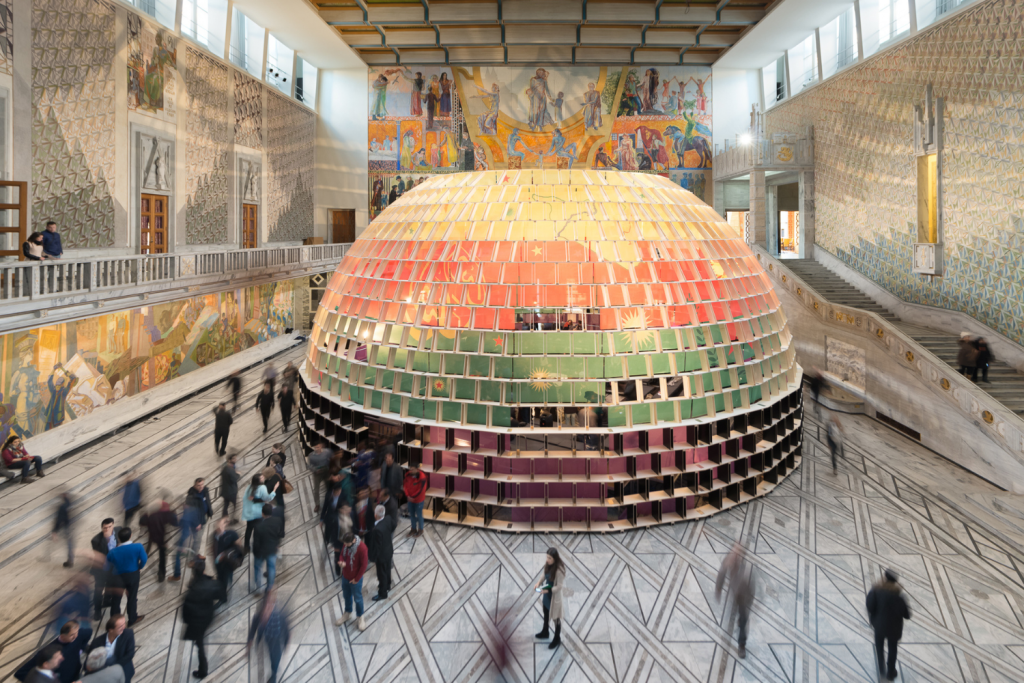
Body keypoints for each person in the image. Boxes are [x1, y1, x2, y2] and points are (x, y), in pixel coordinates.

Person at [182, 559, 224, 680]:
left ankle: (203, 670)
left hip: (196, 621)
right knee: (200, 640)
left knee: (200, 644)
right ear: (204, 570)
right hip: (208, 617)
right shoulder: (211, 584)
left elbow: (185, 612)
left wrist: (187, 621)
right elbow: (221, 595)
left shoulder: (191, 591)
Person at [866, 569, 911, 681]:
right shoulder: (899, 597)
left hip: (879, 626)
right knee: (892, 648)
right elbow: (907, 615)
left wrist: (874, 617)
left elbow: (870, 606)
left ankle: (881, 670)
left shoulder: (876, 591)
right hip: (894, 629)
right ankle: (891, 672)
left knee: (879, 648)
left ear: (884, 578)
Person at [14, 620, 91, 683]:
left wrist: (81, 649)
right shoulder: (48, 651)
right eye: (72, 635)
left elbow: (89, 632)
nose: (76, 636)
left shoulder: (78, 636)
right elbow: (21, 673)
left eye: (76, 632)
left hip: (75, 675)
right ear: (63, 636)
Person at [715, 542, 755, 659]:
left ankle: (741, 644)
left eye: (738, 553)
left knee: (743, 620)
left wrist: (751, 601)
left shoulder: (746, 567)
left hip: (744, 597)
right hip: (734, 594)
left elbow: (752, 584)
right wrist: (718, 589)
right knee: (732, 615)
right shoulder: (728, 560)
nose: (735, 555)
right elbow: (721, 574)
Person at [105, 528, 147, 627]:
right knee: (132, 597)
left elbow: (106, 566)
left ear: (118, 538)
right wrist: (139, 567)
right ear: (131, 535)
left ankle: (114, 622)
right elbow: (144, 559)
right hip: (133, 575)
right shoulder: (138, 546)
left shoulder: (113, 551)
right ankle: (132, 619)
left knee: (116, 599)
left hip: (117, 577)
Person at [247, 589, 290, 683]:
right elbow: (254, 627)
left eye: (269, 606)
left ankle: (273, 677)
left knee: (274, 662)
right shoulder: (259, 615)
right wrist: (250, 640)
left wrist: (286, 643)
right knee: (270, 656)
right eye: (265, 607)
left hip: (276, 643)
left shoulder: (280, 616)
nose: (266, 611)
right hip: (266, 637)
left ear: (272, 605)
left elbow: (286, 630)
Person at [333, 533, 368, 631]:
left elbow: (364, 565)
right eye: (345, 544)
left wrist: (356, 579)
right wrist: (341, 562)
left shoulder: (362, 548)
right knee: (346, 595)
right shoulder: (346, 544)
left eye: (347, 544)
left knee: (358, 598)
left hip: (355, 579)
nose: (346, 545)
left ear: (353, 541)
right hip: (345, 576)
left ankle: (360, 616)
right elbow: (341, 555)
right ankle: (347, 613)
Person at [534, 547, 565, 650]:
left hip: (554, 597)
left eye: (550, 558)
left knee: (556, 619)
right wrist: (538, 582)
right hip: (547, 595)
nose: (547, 560)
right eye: (547, 557)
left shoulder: (559, 570)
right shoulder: (548, 564)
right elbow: (544, 574)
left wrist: (548, 590)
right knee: (546, 613)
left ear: (555, 559)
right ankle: (545, 631)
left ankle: (557, 638)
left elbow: (559, 586)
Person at [139, 498, 177, 582]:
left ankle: (140, 562)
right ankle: (161, 574)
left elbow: (141, 521)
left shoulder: (150, 515)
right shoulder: (164, 514)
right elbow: (174, 521)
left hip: (152, 535)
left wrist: (147, 514)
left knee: (147, 549)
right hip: (161, 538)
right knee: (162, 555)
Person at [90, 519, 121, 620]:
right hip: (101, 570)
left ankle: (107, 601)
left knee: (110, 586)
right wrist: (107, 540)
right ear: (102, 528)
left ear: (113, 526)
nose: (107, 529)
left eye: (109, 527)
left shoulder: (118, 530)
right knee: (98, 590)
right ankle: (97, 611)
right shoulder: (96, 540)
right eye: (105, 528)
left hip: (113, 569)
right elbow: (101, 555)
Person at [89, 616, 135, 683]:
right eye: (120, 626)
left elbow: (130, 654)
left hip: (123, 670)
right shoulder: (97, 642)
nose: (124, 627)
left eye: (124, 624)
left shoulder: (128, 633)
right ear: (111, 630)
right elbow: (91, 660)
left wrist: (113, 668)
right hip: (104, 674)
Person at [253, 504, 284, 593]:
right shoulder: (278, 520)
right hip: (272, 550)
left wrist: (256, 554)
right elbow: (279, 534)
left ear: (262, 513)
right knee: (271, 568)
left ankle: (258, 587)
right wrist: (277, 544)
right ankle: (269, 587)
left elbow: (256, 543)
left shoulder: (258, 527)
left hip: (261, 552)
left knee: (257, 568)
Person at [242, 473, 277, 552]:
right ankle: (256, 547)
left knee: (248, 529)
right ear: (259, 481)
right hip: (259, 513)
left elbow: (246, 499)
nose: (263, 477)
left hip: (250, 512)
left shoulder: (249, 487)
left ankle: (246, 547)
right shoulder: (262, 487)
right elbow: (267, 498)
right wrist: (274, 490)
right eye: (261, 477)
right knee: (257, 530)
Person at [367, 505, 395, 602]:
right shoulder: (388, 519)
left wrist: (374, 557)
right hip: (389, 551)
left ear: (375, 515)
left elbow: (377, 547)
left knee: (381, 574)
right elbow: (394, 525)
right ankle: (387, 585)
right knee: (387, 570)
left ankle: (383, 593)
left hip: (382, 556)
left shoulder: (377, 529)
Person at [212, 517, 242, 600]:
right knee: (220, 578)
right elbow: (213, 547)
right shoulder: (214, 535)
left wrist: (226, 554)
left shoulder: (232, 534)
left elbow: (239, 547)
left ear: (225, 525)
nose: (220, 528)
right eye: (218, 526)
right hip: (218, 564)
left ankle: (223, 598)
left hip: (227, 563)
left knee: (224, 580)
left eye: (222, 525)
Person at [403, 462, 427, 538]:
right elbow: (405, 485)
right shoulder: (407, 475)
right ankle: (413, 529)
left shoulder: (422, 477)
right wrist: (407, 495)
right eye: (410, 469)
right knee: (412, 515)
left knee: (419, 516)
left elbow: (421, 490)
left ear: (417, 469)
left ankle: (420, 530)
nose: (411, 471)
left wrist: (412, 497)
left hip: (419, 500)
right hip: (410, 500)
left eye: (413, 469)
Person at [307, 442, 332, 513]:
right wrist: (315, 470)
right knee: (316, 489)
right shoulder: (311, 455)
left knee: (328, 486)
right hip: (317, 473)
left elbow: (331, 458)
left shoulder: (327, 452)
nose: (316, 449)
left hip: (326, 471)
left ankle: (330, 499)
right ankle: (317, 504)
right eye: (315, 447)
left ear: (321, 446)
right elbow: (309, 466)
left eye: (318, 447)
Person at [321, 481, 345, 551]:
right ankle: (327, 540)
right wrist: (321, 519)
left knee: (335, 531)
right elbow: (325, 507)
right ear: (333, 490)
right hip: (329, 517)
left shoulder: (343, 495)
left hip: (337, 518)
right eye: (337, 491)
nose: (339, 493)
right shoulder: (328, 495)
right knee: (327, 531)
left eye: (340, 491)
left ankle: (334, 542)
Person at [52, 492, 74, 568]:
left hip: (66, 527)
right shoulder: (68, 505)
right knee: (70, 543)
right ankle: (70, 560)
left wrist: (55, 531)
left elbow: (59, 520)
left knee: (69, 543)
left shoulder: (62, 507)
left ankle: (70, 560)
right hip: (69, 525)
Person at [219, 454, 240, 521]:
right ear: (229, 460)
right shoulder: (230, 470)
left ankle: (224, 517)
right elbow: (234, 479)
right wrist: (238, 474)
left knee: (226, 504)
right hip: (231, 492)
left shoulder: (225, 468)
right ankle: (234, 518)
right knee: (236, 505)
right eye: (233, 458)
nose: (235, 460)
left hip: (225, 491)